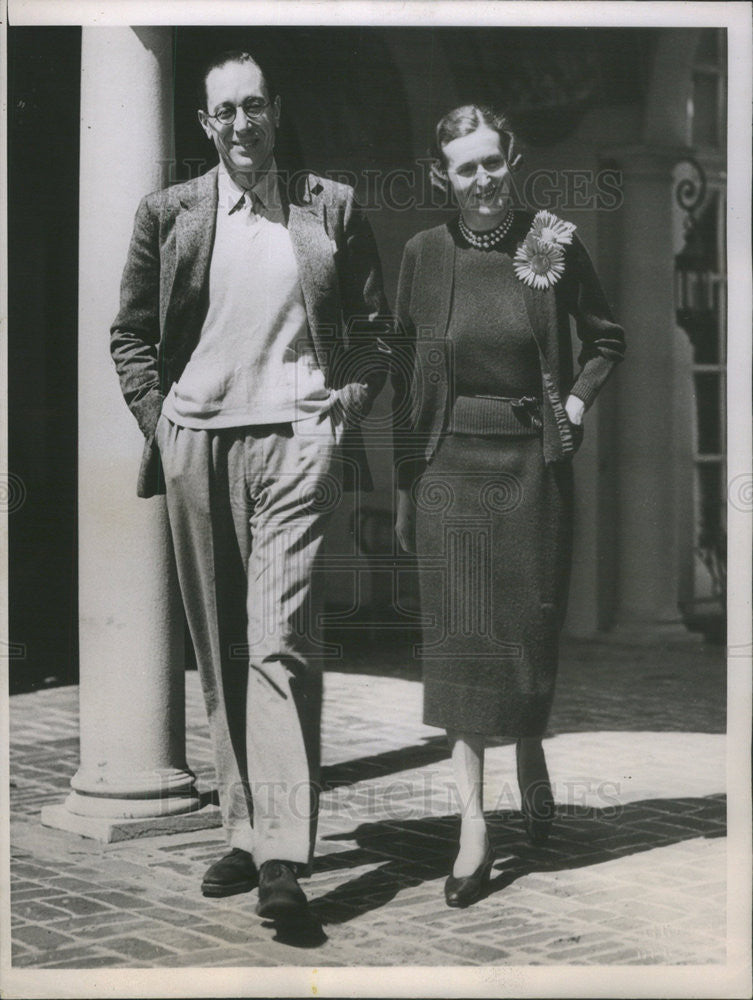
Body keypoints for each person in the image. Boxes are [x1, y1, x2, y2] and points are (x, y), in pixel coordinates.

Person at [111, 50, 390, 923]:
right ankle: (242, 829)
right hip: (198, 444)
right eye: (225, 111)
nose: (242, 124)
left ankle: (279, 853)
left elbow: (373, 333)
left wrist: (341, 406)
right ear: (206, 124)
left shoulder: (328, 205)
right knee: (222, 648)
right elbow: (130, 335)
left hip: (296, 442)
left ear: (276, 110)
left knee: (278, 644)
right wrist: (163, 422)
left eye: (255, 106)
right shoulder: (171, 213)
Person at [392, 104, 625, 908]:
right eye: (465, 168)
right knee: (461, 649)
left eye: (493, 163)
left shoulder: (549, 242)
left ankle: (529, 750)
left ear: (512, 157)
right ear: (440, 177)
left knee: (523, 636)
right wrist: (402, 484)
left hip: (532, 465)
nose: (482, 181)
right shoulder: (424, 255)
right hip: (448, 469)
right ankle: (472, 828)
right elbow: (404, 371)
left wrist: (578, 405)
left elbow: (605, 339)